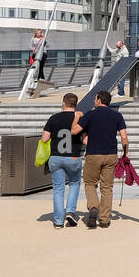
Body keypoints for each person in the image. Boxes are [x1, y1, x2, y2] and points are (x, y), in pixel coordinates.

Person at [75, 90, 128, 229]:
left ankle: (93, 207)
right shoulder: (117, 116)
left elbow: (75, 130)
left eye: (95, 99)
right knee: (107, 187)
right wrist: (125, 154)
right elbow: (123, 137)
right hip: (111, 155)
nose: (94, 101)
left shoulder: (90, 115)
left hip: (93, 154)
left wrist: (77, 117)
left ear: (99, 100)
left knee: (90, 183)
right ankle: (105, 219)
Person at [40, 93, 85, 229]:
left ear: (64, 103)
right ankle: (70, 211)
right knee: (75, 183)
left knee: (58, 189)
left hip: (56, 157)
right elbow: (85, 140)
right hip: (73, 156)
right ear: (75, 104)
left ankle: (58, 221)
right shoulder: (79, 119)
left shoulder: (54, 118)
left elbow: (45, 138)